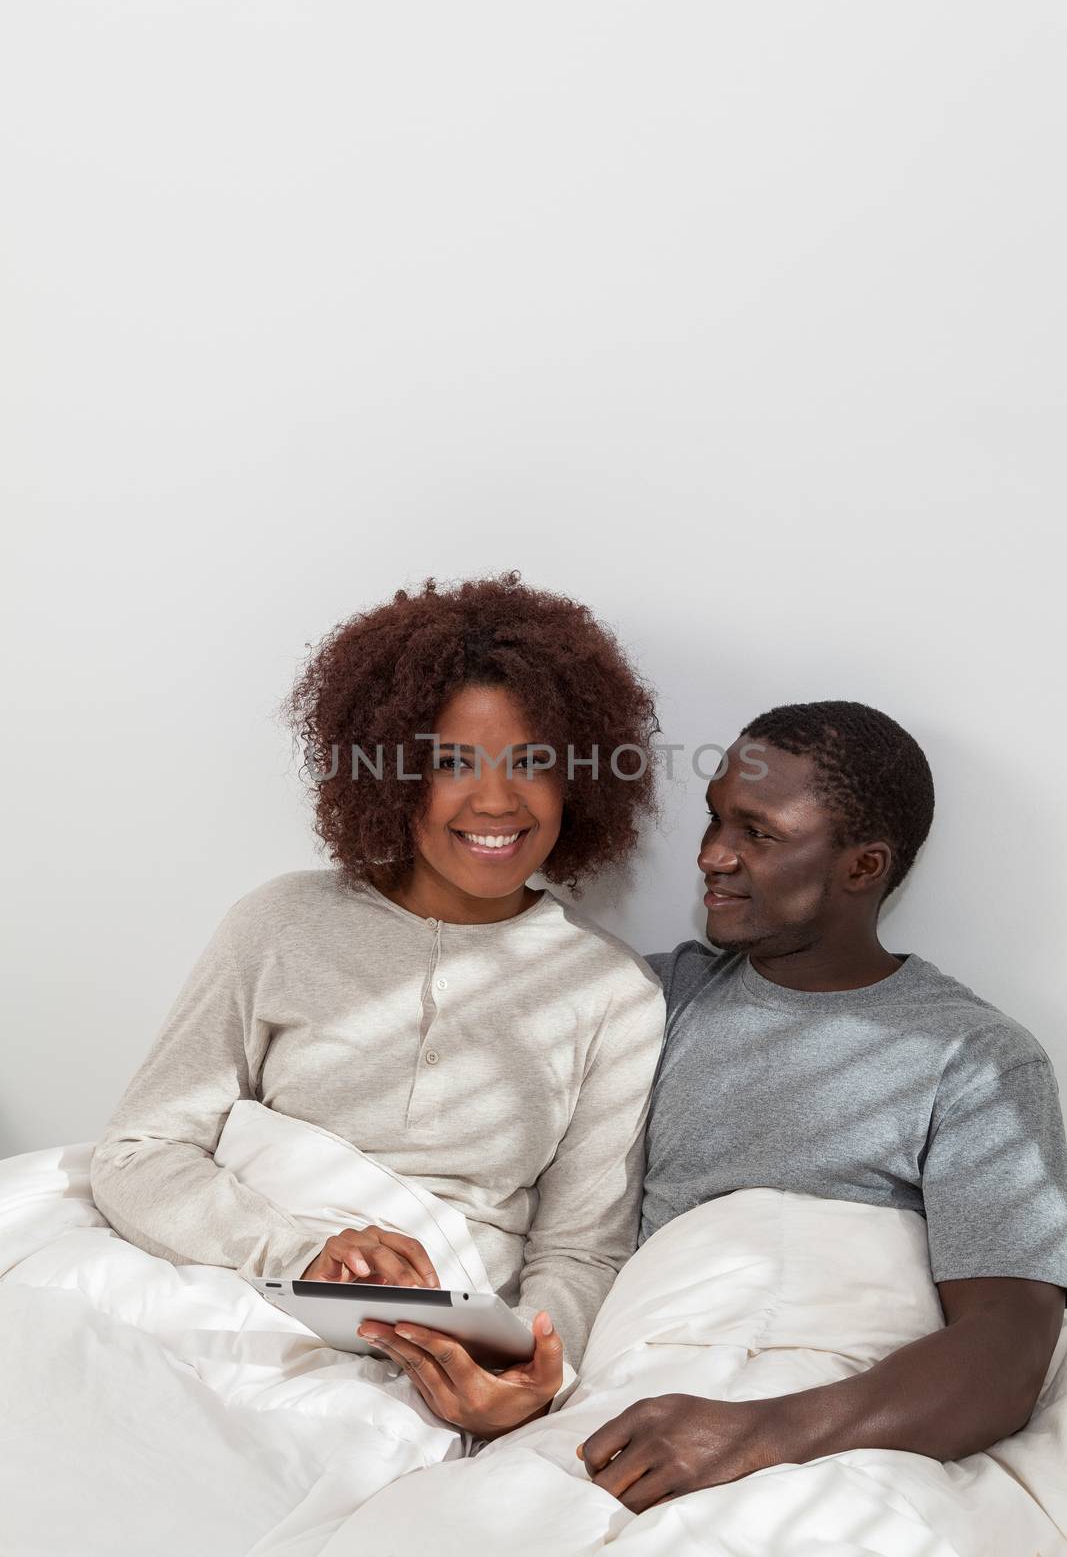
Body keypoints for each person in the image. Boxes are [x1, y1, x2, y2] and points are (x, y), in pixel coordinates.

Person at [90, 572, 666, 1443]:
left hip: (435, 1360)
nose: (496, 801)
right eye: (450, 764)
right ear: (391, 776)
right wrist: (303, 1259)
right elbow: (138, 1151)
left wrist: (529, 1375)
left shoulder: (611, 994)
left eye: (531, 763)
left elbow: (581, 1251)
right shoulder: (279, 923)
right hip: (231, 1294)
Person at [579, 699, 1067, 1510]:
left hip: (827, 1412)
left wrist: (747, 1436)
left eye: (756, 834)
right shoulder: (653, 999)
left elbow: (1005, 1353)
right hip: (650, 1378)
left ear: (862, 867)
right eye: (712, 821)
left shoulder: (975, 1057)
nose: (710, 856)